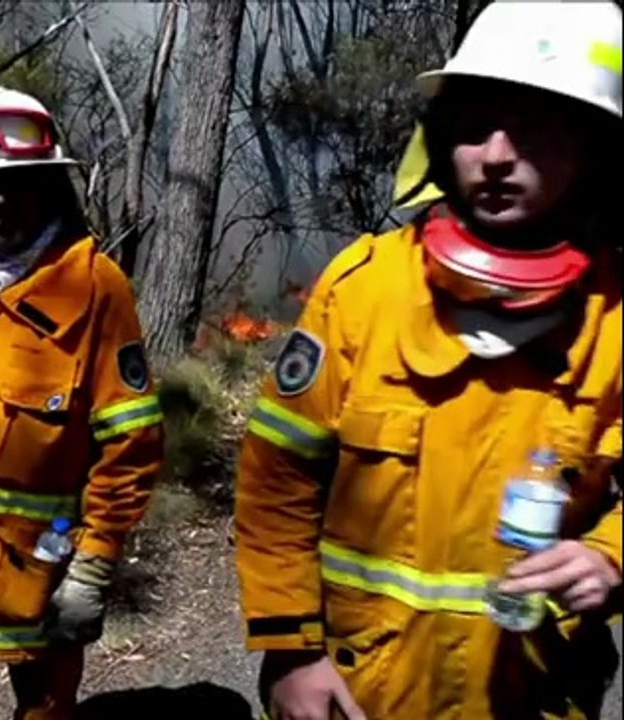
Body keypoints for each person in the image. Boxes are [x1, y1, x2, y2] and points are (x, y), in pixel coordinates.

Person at [233, 2, 622, 718]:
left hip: (532, 692)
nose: (496, 154)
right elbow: (276, 481)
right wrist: (290, 652)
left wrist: (609, 553)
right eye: (475, 126)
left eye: (531, 126)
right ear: (443, 142)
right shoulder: (364, 289)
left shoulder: (615, 318)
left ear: (591, 148)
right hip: (358, 692)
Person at [0, 86, 165, 719]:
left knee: (43, 705)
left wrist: (93, 566)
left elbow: (131, 446)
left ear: (47, 185)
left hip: (42, 555)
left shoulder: (94, 288)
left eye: (14, 182)